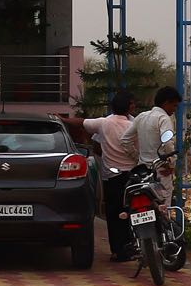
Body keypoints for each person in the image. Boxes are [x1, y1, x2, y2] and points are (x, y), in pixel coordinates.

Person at [59, 90, 138, 261]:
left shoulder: (104, 123)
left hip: (112, 177)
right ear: (128, 106)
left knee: (114, 214)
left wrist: (63, 120)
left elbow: (81, 123)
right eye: (132, 103)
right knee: (132, 212)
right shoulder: (134, 126)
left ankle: (117, 250)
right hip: (132, 176)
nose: (134, 105)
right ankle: (131, 247)